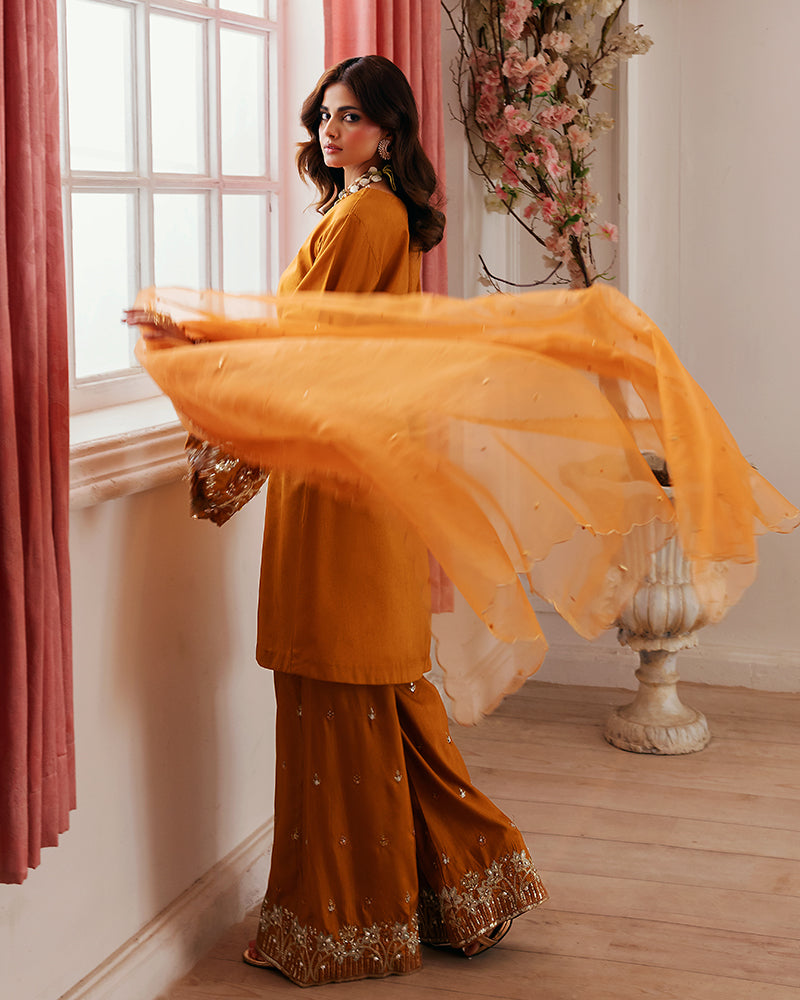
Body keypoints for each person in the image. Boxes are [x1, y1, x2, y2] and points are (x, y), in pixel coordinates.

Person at [233, 56, 548, 986]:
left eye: (354, 118)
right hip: (348, 469)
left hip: (340, 478)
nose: (333, 132)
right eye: (326, 116)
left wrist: (199, 351)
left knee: (344, 682)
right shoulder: (370, 211)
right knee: (374, 688)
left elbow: (305, 346)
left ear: (391, 131)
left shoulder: (366, 216)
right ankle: (465, 888)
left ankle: (345, 920)